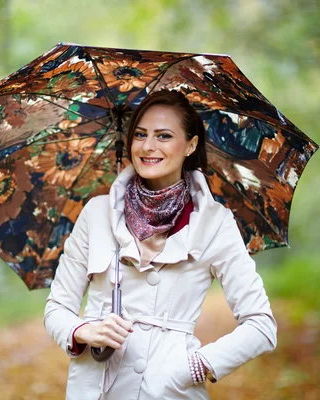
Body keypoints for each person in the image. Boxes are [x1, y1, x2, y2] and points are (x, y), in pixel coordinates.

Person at [44, 89, 277, 400]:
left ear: (191, 145)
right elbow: (57, 307)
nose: (148, 146)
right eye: (140, 135)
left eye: (164, 136)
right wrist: (81, 331)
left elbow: (261, 324)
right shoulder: (97, 213)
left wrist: (196, 365)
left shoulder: (214, 222)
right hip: (95, 390)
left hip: (170, 392)